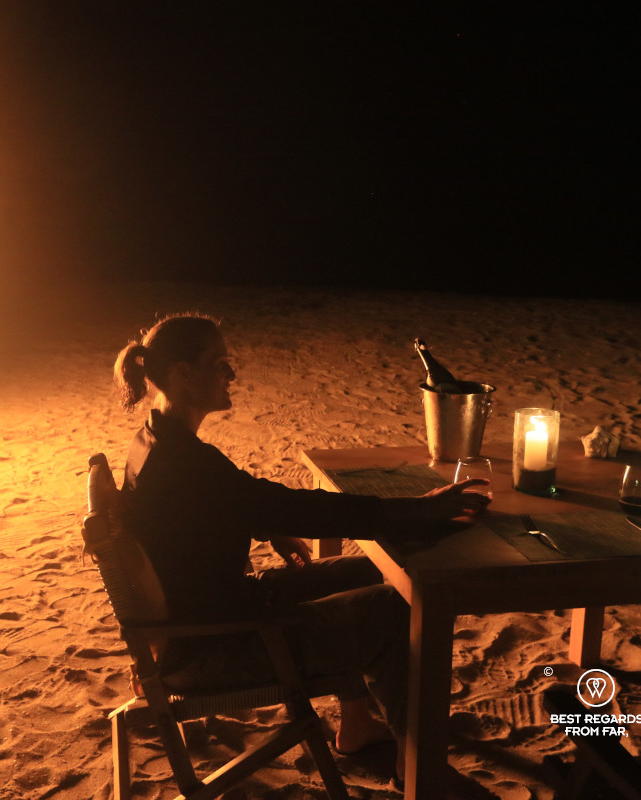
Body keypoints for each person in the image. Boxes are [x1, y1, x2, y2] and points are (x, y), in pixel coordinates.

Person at [112, 312, 489, 783]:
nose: (232, 373)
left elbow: (208, 516)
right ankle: (416, 766)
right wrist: (419, 510)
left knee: (376, 573)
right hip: (217, 644)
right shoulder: (187, 464)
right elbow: (299, 509)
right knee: (398, 608)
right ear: (184, 375)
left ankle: (355, 724)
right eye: (220, 363)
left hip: (212, 615)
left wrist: (259, 523)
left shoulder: (154, 442)